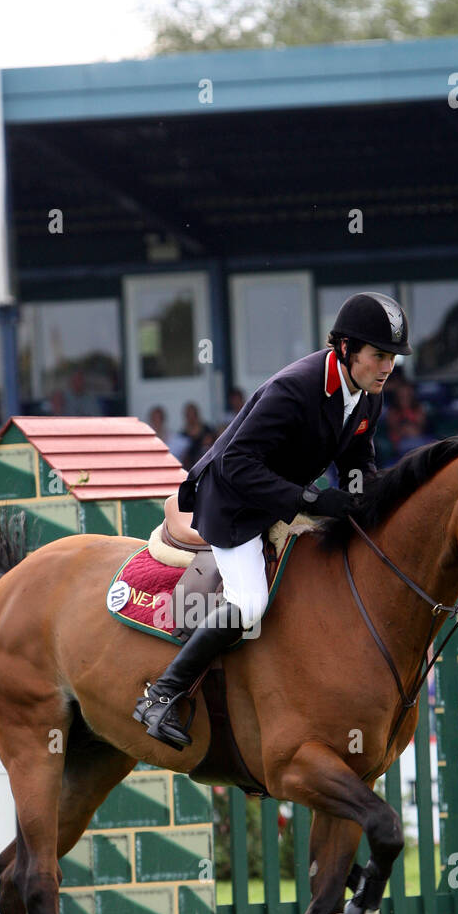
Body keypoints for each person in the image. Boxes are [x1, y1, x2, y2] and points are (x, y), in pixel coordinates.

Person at [133, 292, 410, 748]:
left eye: (392, 359)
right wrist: (312, 500)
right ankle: (162, 694)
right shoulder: (294, 389)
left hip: (282, 500)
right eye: (379, 355)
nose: (387, 368)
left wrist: (362, 498)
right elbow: (236, 464)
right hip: (234, 506)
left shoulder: (367, 395)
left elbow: (359, 459)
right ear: (345, 349)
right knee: (251, 604)